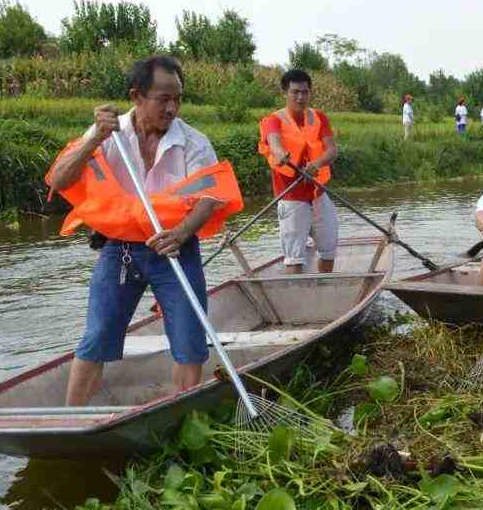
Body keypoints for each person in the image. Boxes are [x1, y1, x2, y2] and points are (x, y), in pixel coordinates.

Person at [46, 56, 242, 406]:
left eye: (177, 98)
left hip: (175, 249)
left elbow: (209, 197)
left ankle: (183, 413)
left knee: (189, 340)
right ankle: (70, 418)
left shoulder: (193, 142)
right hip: (121, 250)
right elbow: (60, 179)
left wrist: (181, 233)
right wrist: (93, 139)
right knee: (98, 335)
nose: (172, 108)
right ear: (137, 96)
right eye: (163, 99)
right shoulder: (110, 135)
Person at [258, 68, 340, 275]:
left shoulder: (319, 117)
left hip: (318, 193)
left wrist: (317, 164)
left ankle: (324, 289)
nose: (300, 97)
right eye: (295, 92)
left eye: (304, 92)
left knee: (329, 249)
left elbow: (332, 150)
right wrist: (281, 154)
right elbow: (273, 142)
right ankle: (297, 298)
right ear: (285, 93)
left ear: (310, 92)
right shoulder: (273, 120)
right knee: (294, 256)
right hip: (291, 196)